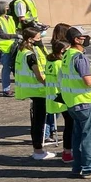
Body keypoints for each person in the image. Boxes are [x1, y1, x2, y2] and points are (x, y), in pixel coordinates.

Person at [60, 26, 91, 179]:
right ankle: (90, 168)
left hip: (72, 102)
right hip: (86, 101)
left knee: (77, 137)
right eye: (85, 37)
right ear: (77, 39)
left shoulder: (67, 55)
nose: (87, 39)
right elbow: (88, 81)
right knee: (90, 137)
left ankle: (78, 167)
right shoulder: (80, 58)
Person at [15, 27, 53, 160]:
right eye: (38, 37)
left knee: (37, 121)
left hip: (32, 90)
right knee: (38, 122)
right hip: (38, 91)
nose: (40, 39)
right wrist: (49, 85)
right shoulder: (30, 55)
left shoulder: (22, 51)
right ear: (30, 39)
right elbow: (39, 76)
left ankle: (38, 149)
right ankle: (38, 151)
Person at [44, 39, 73, 163]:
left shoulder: (49, 62)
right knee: (70, 126)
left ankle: (67, 151)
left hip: (52, 96)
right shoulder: (60, 64)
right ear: (62, 50)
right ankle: (68, 152)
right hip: (62, 97)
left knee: (68, 125)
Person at [0, 2, 17, 96]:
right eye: (6, 7)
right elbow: (1, 35)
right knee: (6, 68)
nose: (8, 8)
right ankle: (6, 90)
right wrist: (15, 36)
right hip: (4, 48)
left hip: (14, 45)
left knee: (16, 67)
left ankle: (20, 87)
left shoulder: (10, 18)